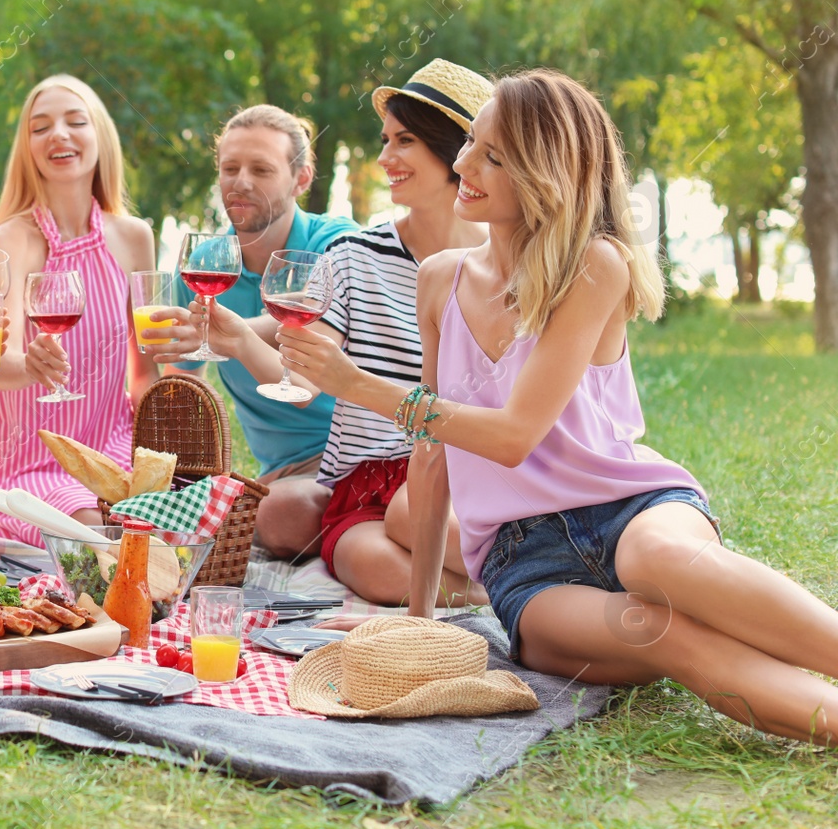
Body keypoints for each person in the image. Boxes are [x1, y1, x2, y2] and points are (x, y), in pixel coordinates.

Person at [290, 68, 838, 745]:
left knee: (662, 563)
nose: (465, 164)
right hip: (525, 568)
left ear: (545, 175)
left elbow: (514, 435)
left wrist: (360, 384)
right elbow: (431, 459)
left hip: (629, 510)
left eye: (495, 156)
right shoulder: (438, 282)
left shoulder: (594, 265)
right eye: (472, 146)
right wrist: (419, 617)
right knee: (669, 634)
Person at [296, 61, 493, 606]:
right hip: (364, 483)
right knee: (381, 573)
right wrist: (248, 341)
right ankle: (506, 593)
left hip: (467, 477)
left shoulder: (507, 266)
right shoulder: (352, 256)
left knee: (422, 520)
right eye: (385, 140)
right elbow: (306, 372)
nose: (384, 158)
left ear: (457, 151)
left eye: (404, 141)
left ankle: (532, 585)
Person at [159, 106, 358, 559]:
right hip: (286, 472)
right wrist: (187, 476)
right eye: (230, 168)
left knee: (281, 513)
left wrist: (231, 332)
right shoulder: (204, 262)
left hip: (355, 458)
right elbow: (182, 376)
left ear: (301, 179)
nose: (240, 181)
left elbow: (305, 315)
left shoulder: (337, 244)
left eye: (261, 169)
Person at [0, 74, 158, 545]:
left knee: (168, 522)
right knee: (93, 532)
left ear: (100, 137)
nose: (59, 134)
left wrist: (161, 445)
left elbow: (145, 371)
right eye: (40, 127)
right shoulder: (14, 237)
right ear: (28, 148)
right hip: (31, 460)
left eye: (76, 122)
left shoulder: (135, 237)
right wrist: (30, 366)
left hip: (113, 449)